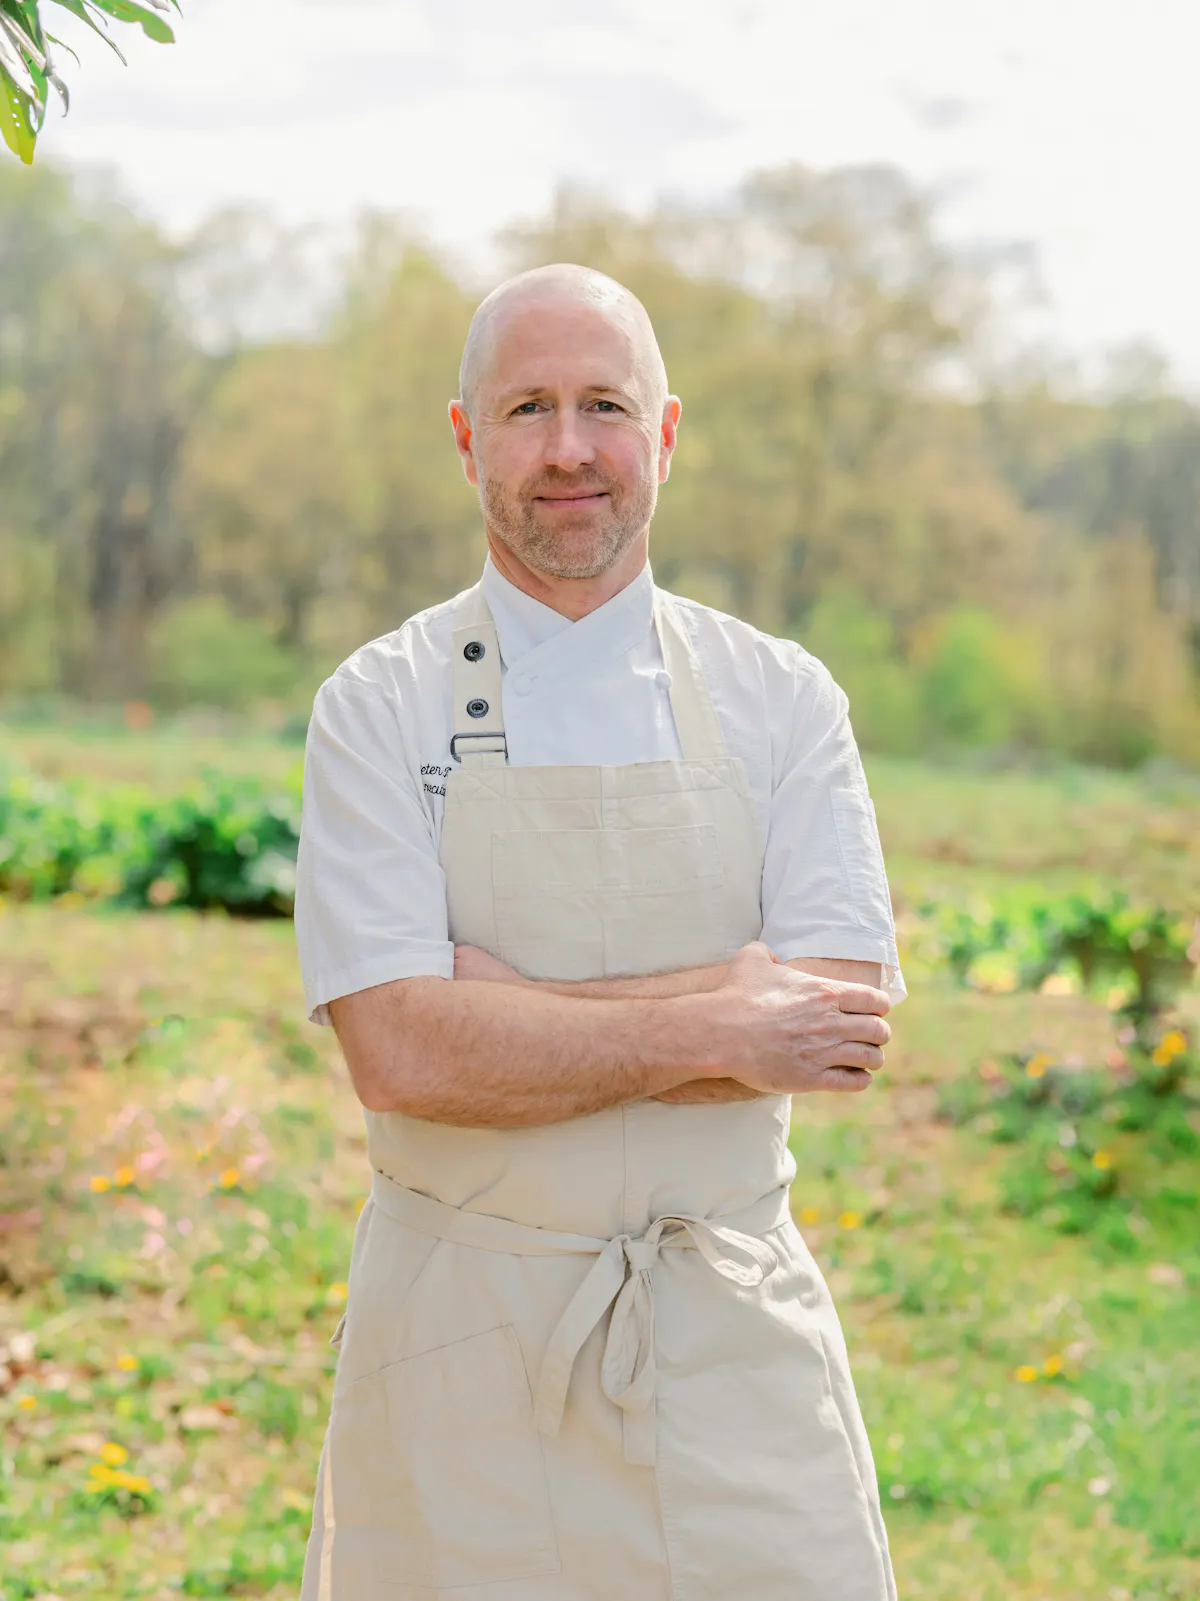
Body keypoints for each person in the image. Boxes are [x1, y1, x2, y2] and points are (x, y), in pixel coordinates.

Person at [295, 263, 905, 1601]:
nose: (569, 450)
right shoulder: (378, 708)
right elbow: (401, 1054)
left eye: (604, 406)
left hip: (728, 1326)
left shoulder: (782, 699)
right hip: (457, 1342)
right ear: (466, 440)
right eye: (525, 408)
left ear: (666, 434)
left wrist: (513, 1010)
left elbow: (838, 1029)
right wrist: (718, 1016)